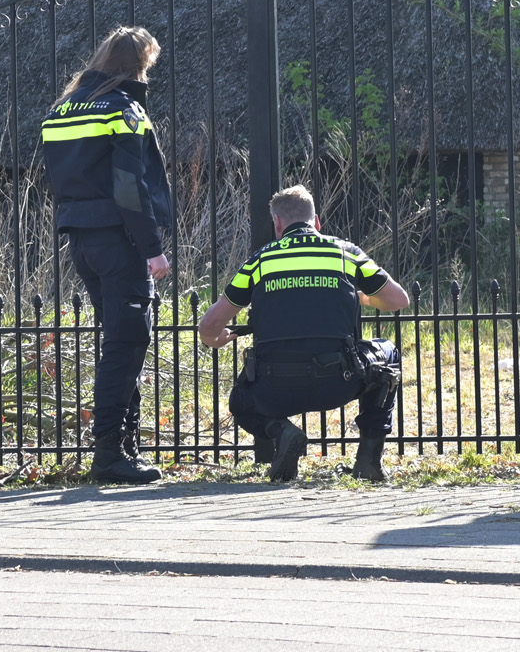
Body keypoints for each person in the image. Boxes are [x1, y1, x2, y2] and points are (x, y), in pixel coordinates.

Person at [199, 185, 410, 483]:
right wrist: (364, 298)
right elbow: (399, 300)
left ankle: (281, 431)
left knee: (240, 400)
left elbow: (209, 325)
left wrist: (214, 340)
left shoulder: (260, 261)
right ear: (317, 222)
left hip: (274, 385)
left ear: (277, 223)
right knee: (388, 354)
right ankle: (369, 462)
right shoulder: (345, 253)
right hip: (339, 381)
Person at [41, 26, 175, 484]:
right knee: (126, 343)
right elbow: (129, 185)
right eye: (148, 66)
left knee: (120, 340)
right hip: (121, 241)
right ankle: (111, 453)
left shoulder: (62, 109)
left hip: (81, 238)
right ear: (138, 64)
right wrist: (152, 249)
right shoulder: (124, 110)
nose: (149, 75)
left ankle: (124, 447)